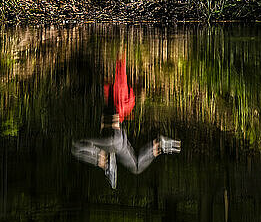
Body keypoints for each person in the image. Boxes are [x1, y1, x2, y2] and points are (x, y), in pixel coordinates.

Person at [71, 54, 181, 189]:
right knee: (76, 148)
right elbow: (114, 109)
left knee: (136, 167)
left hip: (120, 143)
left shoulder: (119, 99)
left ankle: (159, 144)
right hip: (115, 141)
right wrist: (111, 122)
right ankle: (104, 161)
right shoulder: (112, 99)